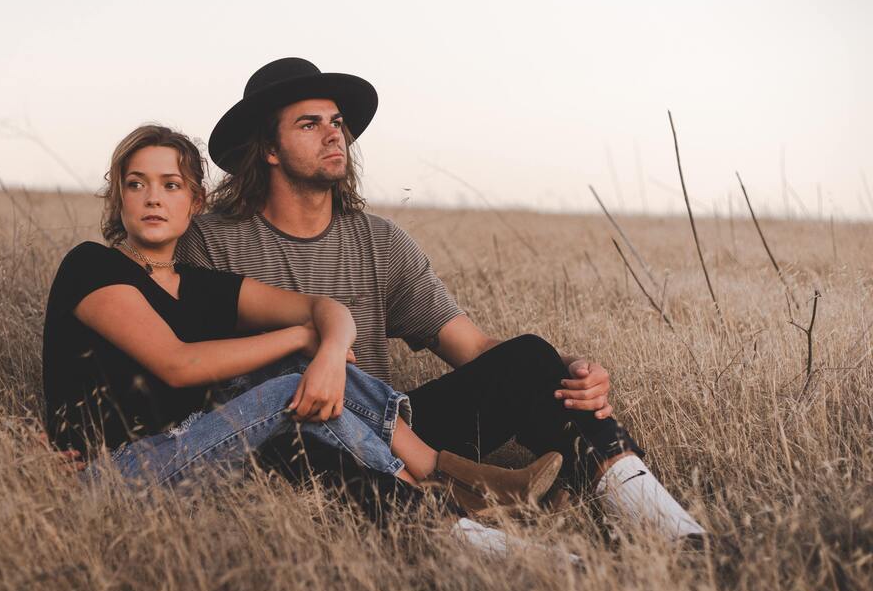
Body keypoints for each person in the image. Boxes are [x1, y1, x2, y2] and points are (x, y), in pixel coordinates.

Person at [175, 57, 707, 546]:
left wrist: (565, 371)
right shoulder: (212, 242)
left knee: (529, 358)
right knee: (297, 439)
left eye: (336, 122)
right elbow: (191, 374)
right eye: (309, 124)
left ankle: (669, 528)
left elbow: (472, 346)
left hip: (394, 429)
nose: (334, 134)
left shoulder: (379, 241)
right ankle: (490, 545)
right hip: (293, 432)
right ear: (269, 149)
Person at [42, 124, 569, 553]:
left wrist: (331, 350)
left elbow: (329, 310)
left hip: (199, 453)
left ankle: (448, 494)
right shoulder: (91, 266)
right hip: (117, 473)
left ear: (195, 202)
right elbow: (178, 364)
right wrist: (303, 339)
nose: (152, 198)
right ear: (118, 197)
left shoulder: (201, 286)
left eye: (170, 185)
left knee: (300, 378)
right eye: (136, 184)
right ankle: (444, 480)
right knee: (285, 380)